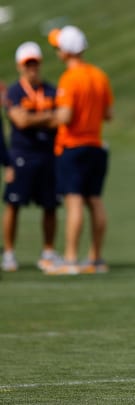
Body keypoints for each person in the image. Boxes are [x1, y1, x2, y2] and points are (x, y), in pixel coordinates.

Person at [46, 25, 113, 275]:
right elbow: (109, 113)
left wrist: (43, 118)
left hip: (73, 146)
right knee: (94, 200)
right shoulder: (99, 75)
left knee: (74, 202)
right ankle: (95, 258)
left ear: (66, 51)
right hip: (96, 145)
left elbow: (65, 116)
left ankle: (71, 258)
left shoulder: (69, 78)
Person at [2, 41, 61, 272]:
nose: (32, 68)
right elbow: (20, 120)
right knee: (13, 205)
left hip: (47, 155)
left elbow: (61, 119)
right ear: (20, 66)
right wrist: (47, 117)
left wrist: (36, 118)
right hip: (21, 155)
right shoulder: (14, 92)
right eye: (28, 64)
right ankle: (9, 253)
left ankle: (48, 251)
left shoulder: (51, 90)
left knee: (50, 206)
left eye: (35, 63)